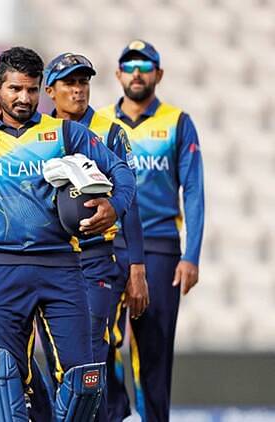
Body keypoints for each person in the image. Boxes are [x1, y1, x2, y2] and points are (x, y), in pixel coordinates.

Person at [0, 46, 136, 421]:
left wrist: (114, 206)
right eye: (15, 89)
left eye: (32, 89)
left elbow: (121, 171)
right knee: (4, 378)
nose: (24, 98)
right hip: (2, 270)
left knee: (83, 380)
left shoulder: (64, 133)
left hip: (61, 267)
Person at [98, 40, 205, 422]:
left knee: (153, 349)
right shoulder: (100, 122)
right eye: (129, 67)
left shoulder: (177, 122)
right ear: (118, 74)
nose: (137, 74)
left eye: (145, 67)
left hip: (159, 246)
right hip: (108, 243)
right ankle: (114, 413)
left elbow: (193, 191)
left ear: (158, 74)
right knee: (99, 340)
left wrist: (191, 256)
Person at [41, 53, 149, 421]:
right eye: (69, 82)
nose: (78, 89)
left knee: (91, 351)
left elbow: (130, 199)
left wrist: (137, 267)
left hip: (97, 256)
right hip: (49, 258)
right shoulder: (38, 133)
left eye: (83, 82)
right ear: (50, 90)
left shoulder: (110, 131)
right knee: (59, 357)